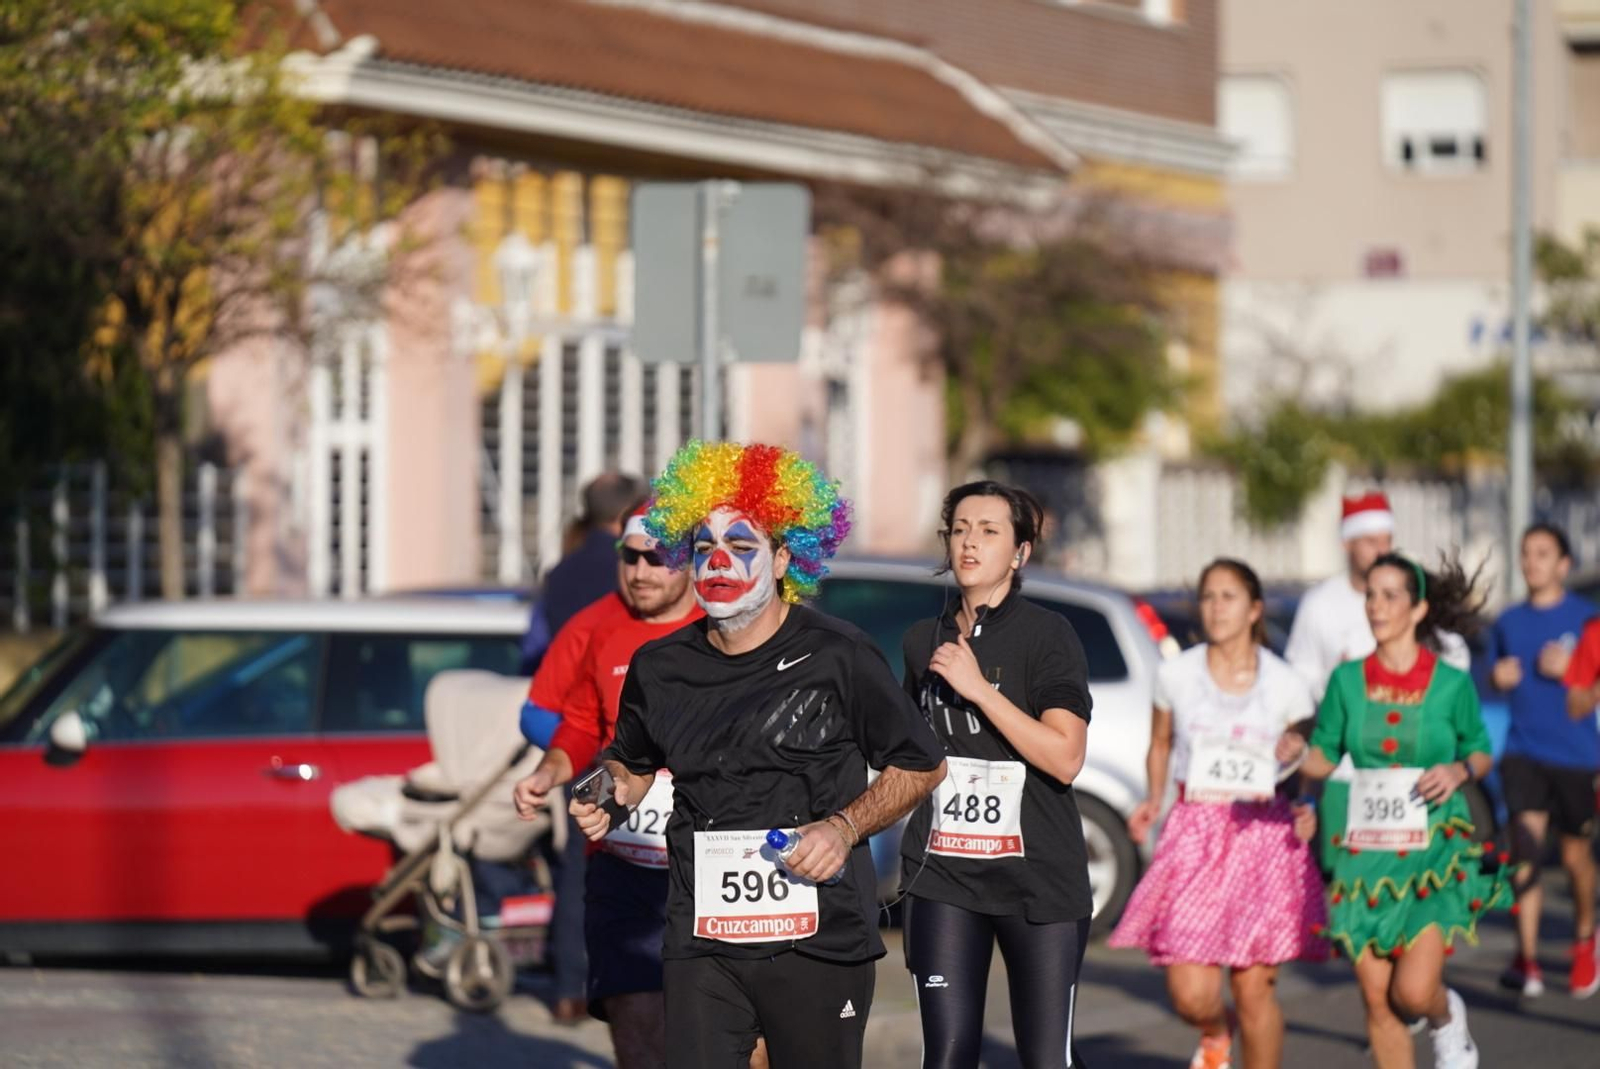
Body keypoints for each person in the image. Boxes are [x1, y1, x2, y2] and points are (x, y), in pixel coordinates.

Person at [573, 441, 947, 1069]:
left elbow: (921, 763)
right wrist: (602, 790)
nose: (718, 562)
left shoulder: (839, 656)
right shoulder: (660, 666)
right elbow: (631, 762)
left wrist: (843, 826)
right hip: (703, 933)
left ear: (782, 560)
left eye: (741, 547)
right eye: (702, 549)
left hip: (816, 931)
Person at [898, 480, 1093, 1069]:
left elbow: (1065, 756)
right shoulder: (920, 641)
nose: (969, 544)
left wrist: (979, 689)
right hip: (943, 877)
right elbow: (907, 758)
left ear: (1020, 552)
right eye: (959, 530)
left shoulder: (1047, 635)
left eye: (988, 531)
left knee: (1045, 1059)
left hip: (1038, 880)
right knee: (948, 1055)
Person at [512, 508, 713, 1067]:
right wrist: (551, 773)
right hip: (620, 844)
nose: (642, 570)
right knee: (635, 1022)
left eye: (659, 557)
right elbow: (575, 723)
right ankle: (575, 989)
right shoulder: (594, 626)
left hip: (710, 851)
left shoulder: (720, 622)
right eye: (631, 556)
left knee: (711, 1027)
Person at [1297, 552, 1514, 1069]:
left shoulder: (1450, 684)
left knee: (1413, 994)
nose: (1376, 605)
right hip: (1360, 857)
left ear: (1418, 610)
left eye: (1391, 594)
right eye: (1370, 594)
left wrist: (1460, 771)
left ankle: (1445, 1017)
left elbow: (1481, 749)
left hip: (1430, 856)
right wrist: (1299, 781)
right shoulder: (1346, 681)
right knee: (1378, 1001)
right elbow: (1323, 756)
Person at [1110, 558, 1327, 1069]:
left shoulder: (1286, 683)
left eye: (1229, 597)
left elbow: (1314, 757)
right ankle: (1214, 1030)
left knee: (1255, 993)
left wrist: (1309, 799)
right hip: (1194, 831)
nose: (1216, 607)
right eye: (1208, 596)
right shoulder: (1176, 674)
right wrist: (1152, 798)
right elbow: (1160, 742)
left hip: (1263, 834)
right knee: (1190, 992)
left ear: (1254, 610)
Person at [1285, 492, 1470, 871]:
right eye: (1370, 541)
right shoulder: (1320, 605)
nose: (1382, 548)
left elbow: (1455, 659)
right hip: (1345, 776)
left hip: (1414, 781)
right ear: (1347, 543)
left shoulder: (1409, 597)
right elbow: (1299, 686)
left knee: (1420, 903)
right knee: (1350, 899)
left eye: (1387, 539)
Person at [1485, 523, 1600, 998]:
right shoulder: (1507, 622)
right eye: (1525, 553)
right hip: (1522, 750)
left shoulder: (1588, 618)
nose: (1531, 562)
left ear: (1563, 564)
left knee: (1574, 857)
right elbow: (1488, 678)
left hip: (1577, 755)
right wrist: (1496, 676)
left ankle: (1583, 941)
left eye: (1542, 553)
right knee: (1525, 852)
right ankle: (1527, 957)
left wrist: (1572, 673)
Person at [520, 471, 649, 674]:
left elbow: (535, 647)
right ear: (627, 512)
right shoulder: (636, 567)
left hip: (564, 687)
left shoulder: (558, 572)